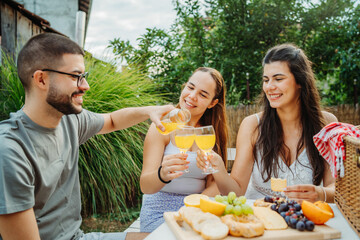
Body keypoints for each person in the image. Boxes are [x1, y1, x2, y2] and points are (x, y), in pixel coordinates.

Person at [0, 33, 174, 240]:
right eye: (75, 76)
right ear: (41, 79)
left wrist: (148, 111)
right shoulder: (10, 151)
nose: (85, 86)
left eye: (84, 76)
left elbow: (112, 120)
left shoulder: (70, 120)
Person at [197, 43, 338, 203]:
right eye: (266, 80)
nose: (269, 87)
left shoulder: (327, 124)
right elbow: (236, 192)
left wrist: (321, 194)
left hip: (304, 219)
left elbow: (336, 188)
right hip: (259, 218)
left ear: (300, 80)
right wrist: (219, 169)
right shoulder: (252, 125)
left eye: (278, 79)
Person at [139, 67, 229, 232]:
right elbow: (145, 186)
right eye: (190, 87)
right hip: (159, 209)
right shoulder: (162, 127)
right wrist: (162, 174)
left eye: (203, 94)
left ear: (213, 103)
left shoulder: (209, 133)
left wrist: (194, 207)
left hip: (197, 208)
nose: (192, 96)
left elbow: (214, 184)